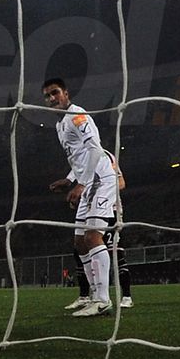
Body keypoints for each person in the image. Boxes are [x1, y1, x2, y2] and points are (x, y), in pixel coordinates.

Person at [44, 78, 119, 317]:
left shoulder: (78, 116)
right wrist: (69, 179)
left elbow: (95, 149)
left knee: (93, 236)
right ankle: (93, 297)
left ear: (66, 93)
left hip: (101, 179)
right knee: (79, 242)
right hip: (87, 181)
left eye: (55, 93)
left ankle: (103, 299)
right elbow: (80, 156)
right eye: (47, 96)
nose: (51, 99)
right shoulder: (60, 125)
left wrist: (82, 183)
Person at [63, 149, 133, 310]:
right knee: (80, 249)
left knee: (116, 253)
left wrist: (102, 192)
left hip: (111, 211)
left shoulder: (105, 157)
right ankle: (86, 296)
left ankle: (126, 296)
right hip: (92, 208)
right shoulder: (83, 159)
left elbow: (120, 183)